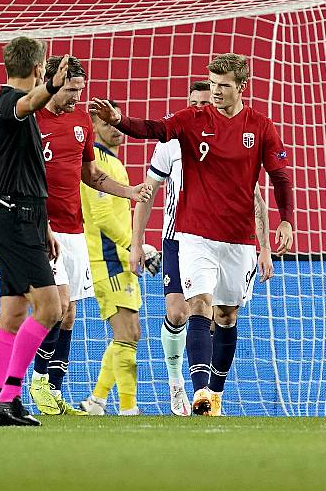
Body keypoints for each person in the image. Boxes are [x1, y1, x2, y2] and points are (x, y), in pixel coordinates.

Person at [90, 53, 293, 417]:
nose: (215, 92)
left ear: (241, 87)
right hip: (193, 234)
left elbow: (278, 177)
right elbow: (152, 128)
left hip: (239, 238)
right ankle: (197, 391)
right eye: (212, 85)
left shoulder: (260, 126)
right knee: (197, 305)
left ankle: (214, 393)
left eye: (223, 86)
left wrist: (285, 220)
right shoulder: (191, 120)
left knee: (227, 316)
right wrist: (121, 121)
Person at [129, 80, 273, 416]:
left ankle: (209, 395)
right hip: (179, 238)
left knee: (218, 315)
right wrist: (137, 244)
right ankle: (179, 383)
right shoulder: (171, 142)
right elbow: (147, 194)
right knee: (180, 312)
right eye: (193, 102)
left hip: (223, 238)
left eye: (204, 103)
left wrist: (264, 247)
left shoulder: (230, 140)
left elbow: (255, 199)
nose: (198, 108)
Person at [27, 56, 152, 417]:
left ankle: (54, 390)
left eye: (80, 90)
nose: (76, 98)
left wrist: (129, 193)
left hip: (74, 231)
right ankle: (35, 379)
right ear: (51, 83)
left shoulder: (81, 121)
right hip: (41, 227)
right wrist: (41, 222)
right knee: (57, 305)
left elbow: (90, 174)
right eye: (69, 90)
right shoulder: (33, 120)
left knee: (68, 316)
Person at [75, 101, 148, 416]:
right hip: (109, 259)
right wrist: (138, 245)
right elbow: (104, 218)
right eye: (106, 124)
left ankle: (97, 400)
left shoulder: (112, 162)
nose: (115, 129)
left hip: (120, 258)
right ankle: (128, 409)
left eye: (116, 123)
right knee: (128, 334)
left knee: (129, 334)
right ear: (93, 127)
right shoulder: (97, 165)